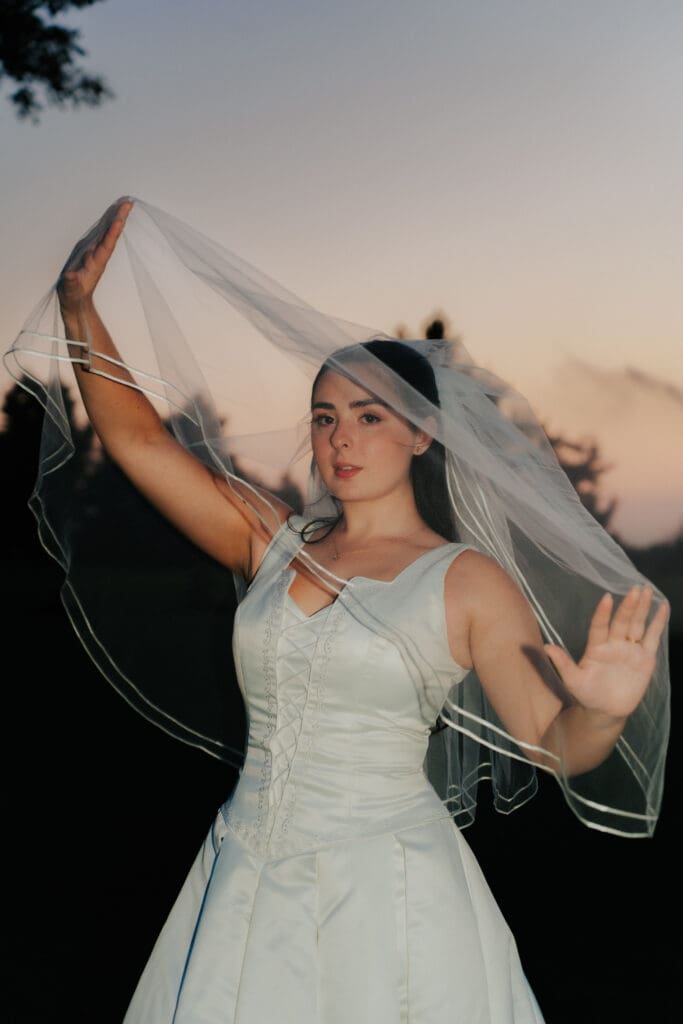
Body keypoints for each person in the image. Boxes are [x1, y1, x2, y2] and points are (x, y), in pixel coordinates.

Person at [6, 197, 670, 1022]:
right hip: (242, 872)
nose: (340, 438)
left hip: (388, 894)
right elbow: (140, 443)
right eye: (324, 418)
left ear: (423, 435)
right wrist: (80, 312)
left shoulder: (465, 581)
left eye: (367, 416)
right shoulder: (271, 541)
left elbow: (552, 740)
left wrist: (600, 713)